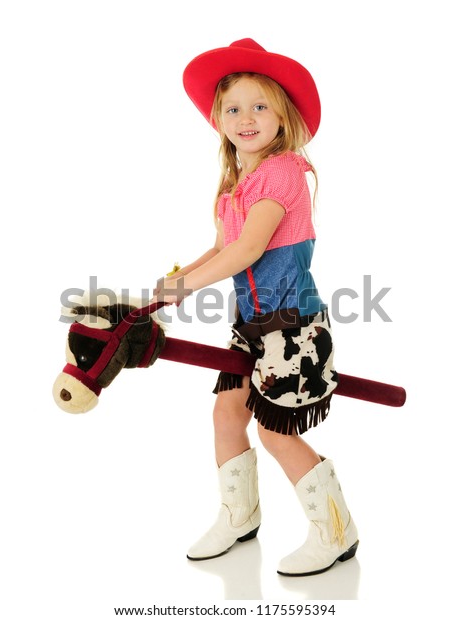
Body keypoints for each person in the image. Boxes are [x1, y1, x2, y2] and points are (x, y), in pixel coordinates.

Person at [153, 38, 358, 576]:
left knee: (276, 432)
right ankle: (238, 515)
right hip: (252, 327)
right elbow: (223, 247)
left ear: (283, 115)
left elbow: (250, 249)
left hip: (293, 329)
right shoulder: (234, 184)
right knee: (226, 413)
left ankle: (335, 531)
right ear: (218, 118)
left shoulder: (284, 171)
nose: (245, 118)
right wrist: (176, 279)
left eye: (259, 105)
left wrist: (189, 289)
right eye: (233, 108)